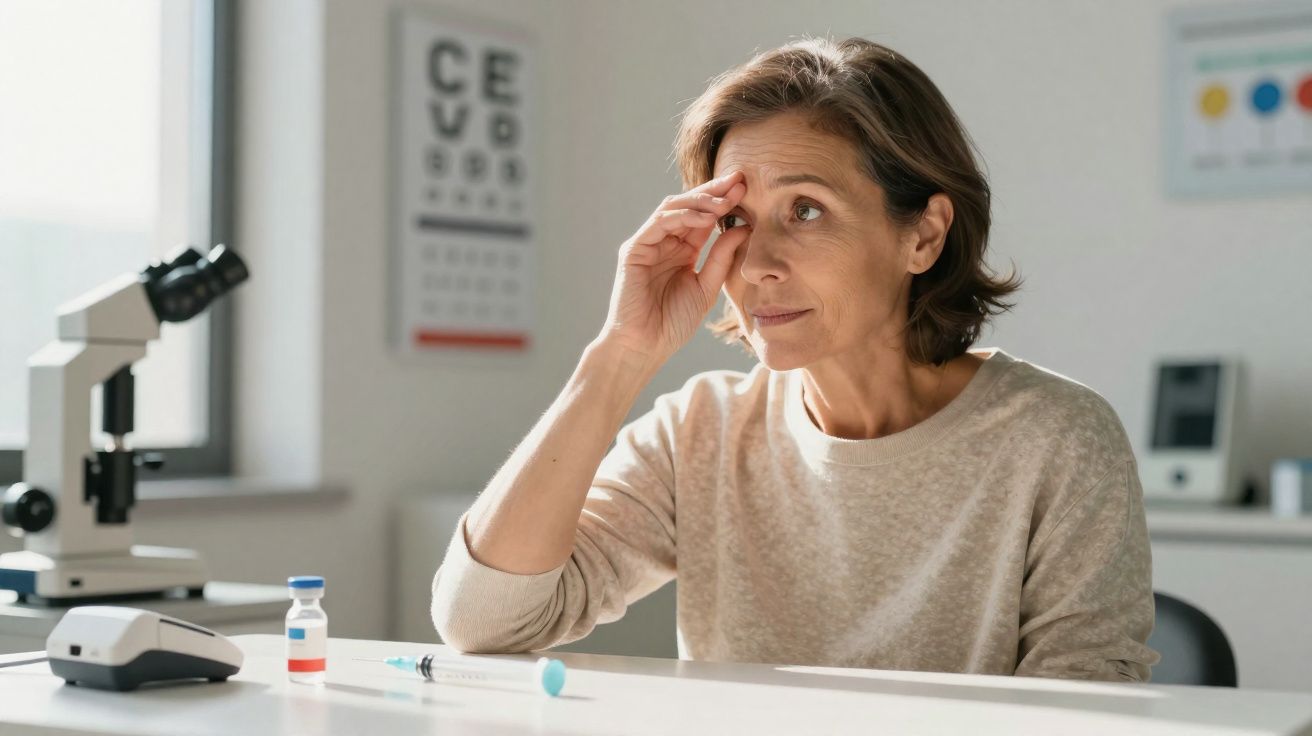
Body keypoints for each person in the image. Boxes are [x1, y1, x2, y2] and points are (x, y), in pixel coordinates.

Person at [431, 36, 1160, 681]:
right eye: (736, 220)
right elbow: (484, 622)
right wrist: (620, 354)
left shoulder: (1059, 439)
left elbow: (1086, 716)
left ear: (924, 236)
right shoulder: (700, 430)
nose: (757, 266)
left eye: (805, 210)